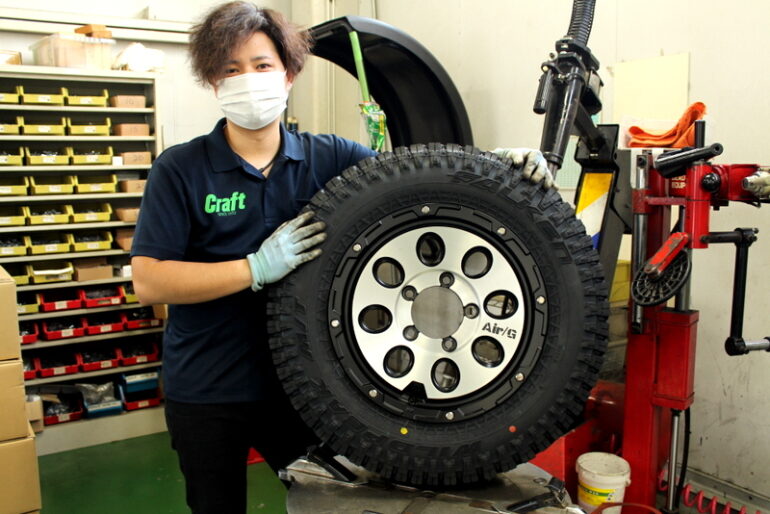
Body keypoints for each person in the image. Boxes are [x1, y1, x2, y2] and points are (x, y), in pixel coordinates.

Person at [131, 2, 553, 513]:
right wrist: (253, 269)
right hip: (207, 388)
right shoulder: (180, 169)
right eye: (231, 69)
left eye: (262, 65)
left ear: (288, 74)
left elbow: (422, 179)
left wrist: (497, 168)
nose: (249, 80)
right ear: (213, 82)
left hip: (304, 386)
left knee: (330, 505)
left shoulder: (329, 156)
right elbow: (150, 281)